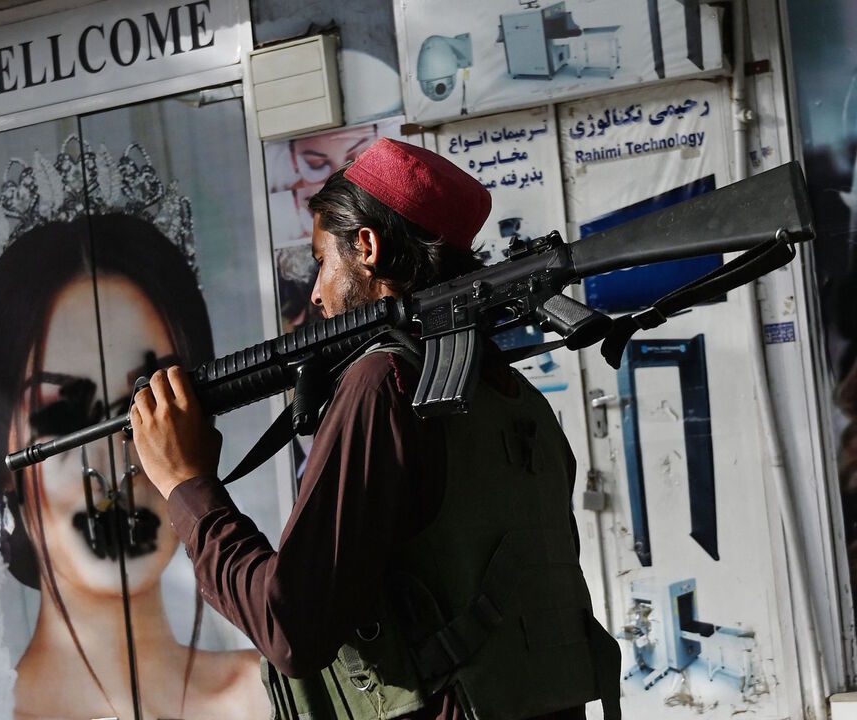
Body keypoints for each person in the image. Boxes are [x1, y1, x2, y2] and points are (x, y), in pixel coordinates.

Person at [130, 139, 623, 720]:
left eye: (322, 259)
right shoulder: (520, 402)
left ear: (365, 246)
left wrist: (188, 485)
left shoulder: (383, 382)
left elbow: (290, 628)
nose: (315, 293)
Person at [0, 214, 270, 720]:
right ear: (6, 459)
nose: (113, 468)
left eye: (150, 407)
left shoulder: (269, 693)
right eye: (62, 415)